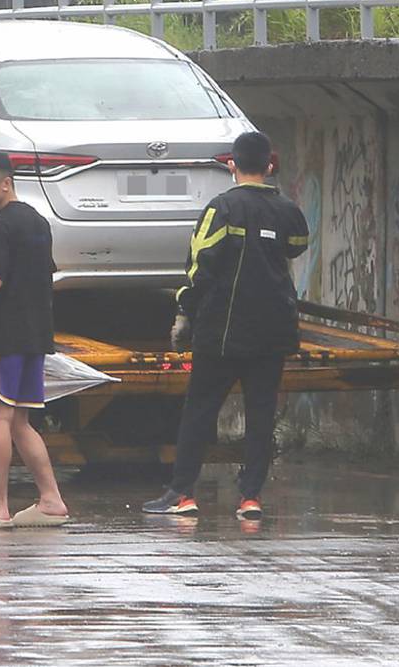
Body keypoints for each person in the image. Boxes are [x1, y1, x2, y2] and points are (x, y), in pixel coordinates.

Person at [143, 131, 309, 522]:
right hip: (272, 332)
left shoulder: (222, 209)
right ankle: (250, 498)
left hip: (222, 330)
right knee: (261, 413)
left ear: (232, 165)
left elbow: (200, 265)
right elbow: (297, 245)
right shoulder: (287, 209)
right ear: (269, 166)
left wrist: (185, 309)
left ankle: (182, 493)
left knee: (200, 410)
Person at [0, 151, 70, 529]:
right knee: (21, 420)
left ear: (6, 183)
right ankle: (51, 500)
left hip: (3, 336)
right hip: (36, 335)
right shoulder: (39, 223)